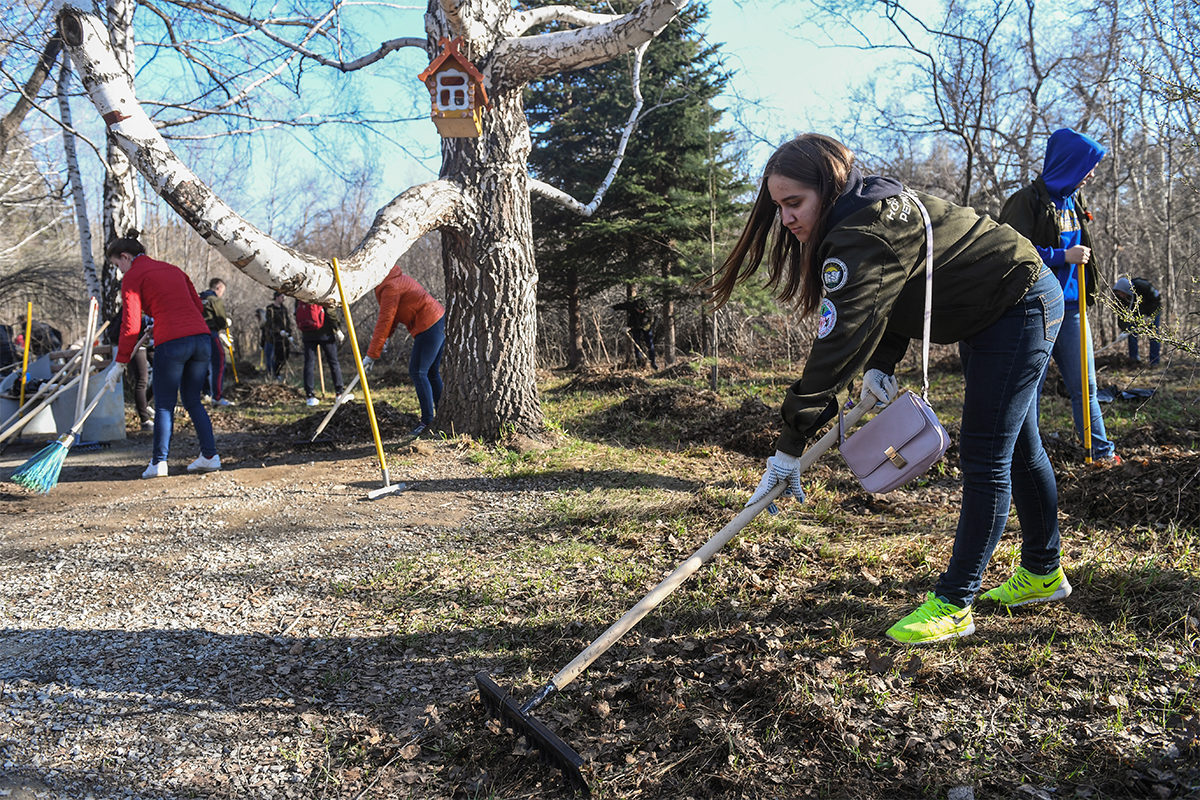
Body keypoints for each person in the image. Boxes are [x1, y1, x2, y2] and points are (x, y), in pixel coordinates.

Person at [713, 133, 1067, 645]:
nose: (786, 219)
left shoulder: (864, 229)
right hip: (990, 311)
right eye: (779, 206)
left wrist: (789, 448)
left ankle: (955, 603)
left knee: (988, 454)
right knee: (1020, 447)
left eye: (795, 203)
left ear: (828, 189)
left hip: (1018, 303)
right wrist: (883, 363)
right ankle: (1042, 573)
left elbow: (837, 343)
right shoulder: (864, 210)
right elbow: (899, 290)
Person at [999, 128, 1116, 462]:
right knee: (1029, 390)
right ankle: (1027, 456)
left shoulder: (1073, 201)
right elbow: (1010, 249)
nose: (1091, 174)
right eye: (1087, 166)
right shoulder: (1026, 201)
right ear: (1069, 163)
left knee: (1086, 386)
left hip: (1073, 308)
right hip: (1034, 310)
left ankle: (1099, 451)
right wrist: (1062, 256)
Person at [100, 230, 220, 478]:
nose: (120, 271)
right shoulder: (173, 269)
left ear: (125, 256)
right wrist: (160, 319)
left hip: (173, 343)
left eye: (117, 265)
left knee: (164, 405)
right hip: (201, 339)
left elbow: (130, 325)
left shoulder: (133, 276)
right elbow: (196, 306)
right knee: (192, 400)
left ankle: (159, 462)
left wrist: (120, 362)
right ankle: (210, 456)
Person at [362, 264, 446, 436]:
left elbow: (385, 319)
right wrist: (384, 341)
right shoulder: (392, 281)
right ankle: (443, 416)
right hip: (437, 321)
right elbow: (392, 319)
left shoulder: (390, 286)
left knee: (418, 371)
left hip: (429, 324)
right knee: (430, 373)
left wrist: (372, 354)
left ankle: (427, 421)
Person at [106, 307, 154, 431]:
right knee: (142, 379)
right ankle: (144, 420)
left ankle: (143, 404)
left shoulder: (152, 302)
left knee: (163, 373)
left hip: (150, 342)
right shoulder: (135, 306)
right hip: (136, 342)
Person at [295, 299, 345, 407]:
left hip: (307, 333)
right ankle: (339, 393)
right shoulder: (321, 291)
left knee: (309, 364)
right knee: (333, 362)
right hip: (325, 333)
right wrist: (337, 328)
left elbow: (297, 312)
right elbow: (330, 312)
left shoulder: (301, 293)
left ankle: (310, 396)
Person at [198, 277, 234, 406]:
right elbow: (221, 319)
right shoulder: (214, 300)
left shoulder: (198, 298)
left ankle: (206, 393)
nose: (221, 294)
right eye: (222, 291)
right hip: (211, 334)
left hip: (197, 336)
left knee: (202, 365)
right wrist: (225, 324)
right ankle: (217, 397)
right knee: (219, 363)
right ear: (218, 288)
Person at [1112, 276, 1162, 366]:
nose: (1121, 295)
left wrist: (1150, 317)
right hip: (1136, 312)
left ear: (1125, 289)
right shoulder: (1120, 298)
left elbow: (1156, 299)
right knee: (1131, 333)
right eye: (1118, 294)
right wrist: (1124, 330)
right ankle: (1134, 360)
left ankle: (1154, 361)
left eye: (1121, 293)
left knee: (1154, 334)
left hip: (1153, 309)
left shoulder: (1142, 286)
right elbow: (1121, 315)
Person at [612, 294, 657, 369]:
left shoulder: (648, 313)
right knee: (636, 342)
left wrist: (632, 328)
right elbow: (623, 306)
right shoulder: (631, 306)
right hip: (634, 325)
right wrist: (614, 308)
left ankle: (653, 363)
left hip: (645, 327)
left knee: (650, 343)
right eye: (639, 310)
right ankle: (639, 361)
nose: (641, 311)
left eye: (642, 310)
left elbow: (648, 324)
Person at [263, 291, 298, 382]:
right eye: (282, 297)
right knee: (273, 357)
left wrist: (289, 334)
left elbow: (287, 323)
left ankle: (277, 372)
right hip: (273, 338)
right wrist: (278, 331)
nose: (284, 299)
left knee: (284, 356)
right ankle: (273, 374)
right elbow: (269, 323)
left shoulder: (284, 309)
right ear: (277, 297)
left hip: (284, 338)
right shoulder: (270, 309)